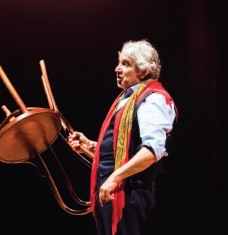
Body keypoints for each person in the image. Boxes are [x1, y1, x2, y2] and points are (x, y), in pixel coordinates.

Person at [67, 39, 177, 235]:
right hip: (113, 192)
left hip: (129, 194)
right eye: (119, 62)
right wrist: (89, 146)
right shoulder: (125, 99)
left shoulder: (153, 99)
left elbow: (152, 151)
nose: (117, 68)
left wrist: (114, 178)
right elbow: (120, 154)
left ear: (143, 72)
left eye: (126, 64)